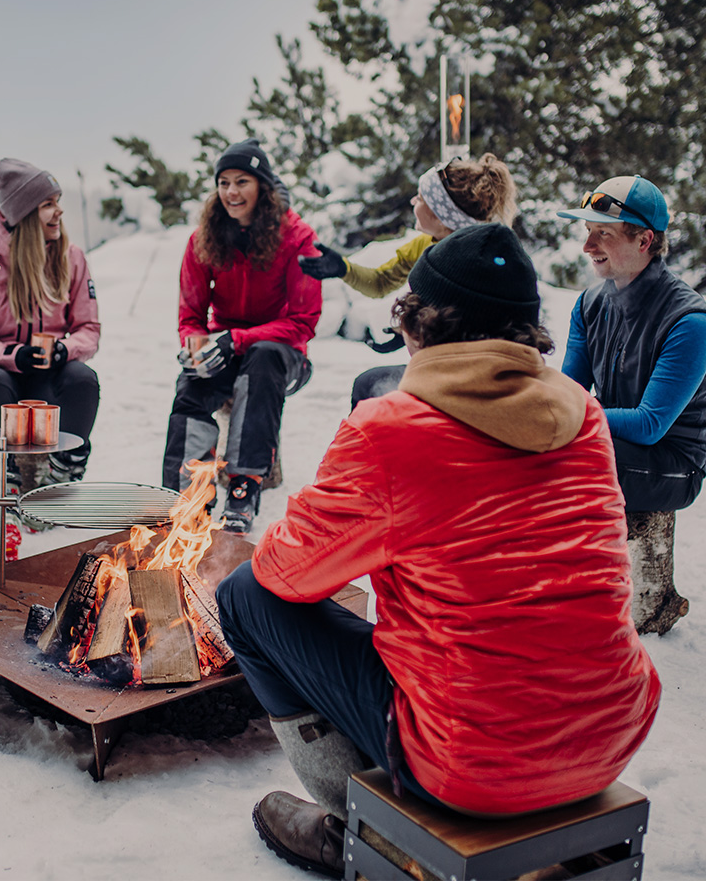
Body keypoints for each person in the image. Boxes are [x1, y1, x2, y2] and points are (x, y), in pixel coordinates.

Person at [216, 222, 660, 878]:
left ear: (418, 321)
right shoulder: (580, 412)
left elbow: (286, 573)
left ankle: (357, 828)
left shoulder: (393, 429)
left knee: (245, 598)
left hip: (472, 765)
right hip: (612, 728)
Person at [558, 175, 706, 634]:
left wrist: (566, 415)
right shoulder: (588, 305)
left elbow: (649, 425)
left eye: (603, 232)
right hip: (611, 441)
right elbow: (570, 394)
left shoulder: (691, 321)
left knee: (571, 454)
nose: (588, 245)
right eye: (587, 230)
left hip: (674, 464)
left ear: (645, 240)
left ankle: (590, 596)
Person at [162, 139, 321, 534]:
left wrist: (236, 339)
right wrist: (196, 345)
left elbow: (303, 321)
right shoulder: (206, 237)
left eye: (242, 182)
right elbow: (192, 316)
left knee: (263, 359)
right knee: (193, 385)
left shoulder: (297, 237)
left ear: (262, 187)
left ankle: (243, 490)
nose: (231, 192)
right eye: (224, 183)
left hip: (284, 353)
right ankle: (188, 496)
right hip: (225, 345)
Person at [0, 159, 101, 560]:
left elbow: (89, 330)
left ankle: (61, 477)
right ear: (23, 214)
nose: (58, 212)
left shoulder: (70, 258)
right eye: (47, 204)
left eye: (58, 202)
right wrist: (12, 355)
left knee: (82, 378)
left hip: (44, 376)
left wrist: (63, 349)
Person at [298, 153, 516, 407]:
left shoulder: (480, 258)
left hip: (473, 375)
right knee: (370, 385)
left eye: (421, 198)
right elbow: (381, 282)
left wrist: (416, 330)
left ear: (439, 213)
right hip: (436, 363)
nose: (413, 201)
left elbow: (479, 323)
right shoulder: (424, 244)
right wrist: (343, 268)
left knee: (368, 386)